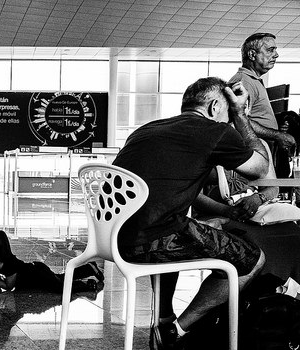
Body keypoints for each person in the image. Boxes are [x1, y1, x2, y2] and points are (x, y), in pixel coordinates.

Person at [112, 77, 269, 349]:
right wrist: (241, 114)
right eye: (227, 114)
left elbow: (184, 190)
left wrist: (226, 211)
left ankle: (163, 318)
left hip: (113, 240)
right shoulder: (214, 131)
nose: (228, 121)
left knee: (179, 228)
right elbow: (259, 169)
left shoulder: (146, 130)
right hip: (152, 240)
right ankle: (175, 331)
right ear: (213, 107)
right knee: (253, 260)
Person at [0, 230, 103, 294]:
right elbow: (0, 283)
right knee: (61, 278)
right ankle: (89, 269)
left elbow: (9, 287)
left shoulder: (9, 264)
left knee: (60, 288)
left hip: (38, 274)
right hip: (35, 276)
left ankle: (88, 285)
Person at [228, 33, 295, 154]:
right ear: (252, 55)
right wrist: (277, 135)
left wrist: (274, 125)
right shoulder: (244, 82)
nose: (276, 55)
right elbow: (238, 120)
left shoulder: (253, 80)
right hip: (253, 155)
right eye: (270, 50)